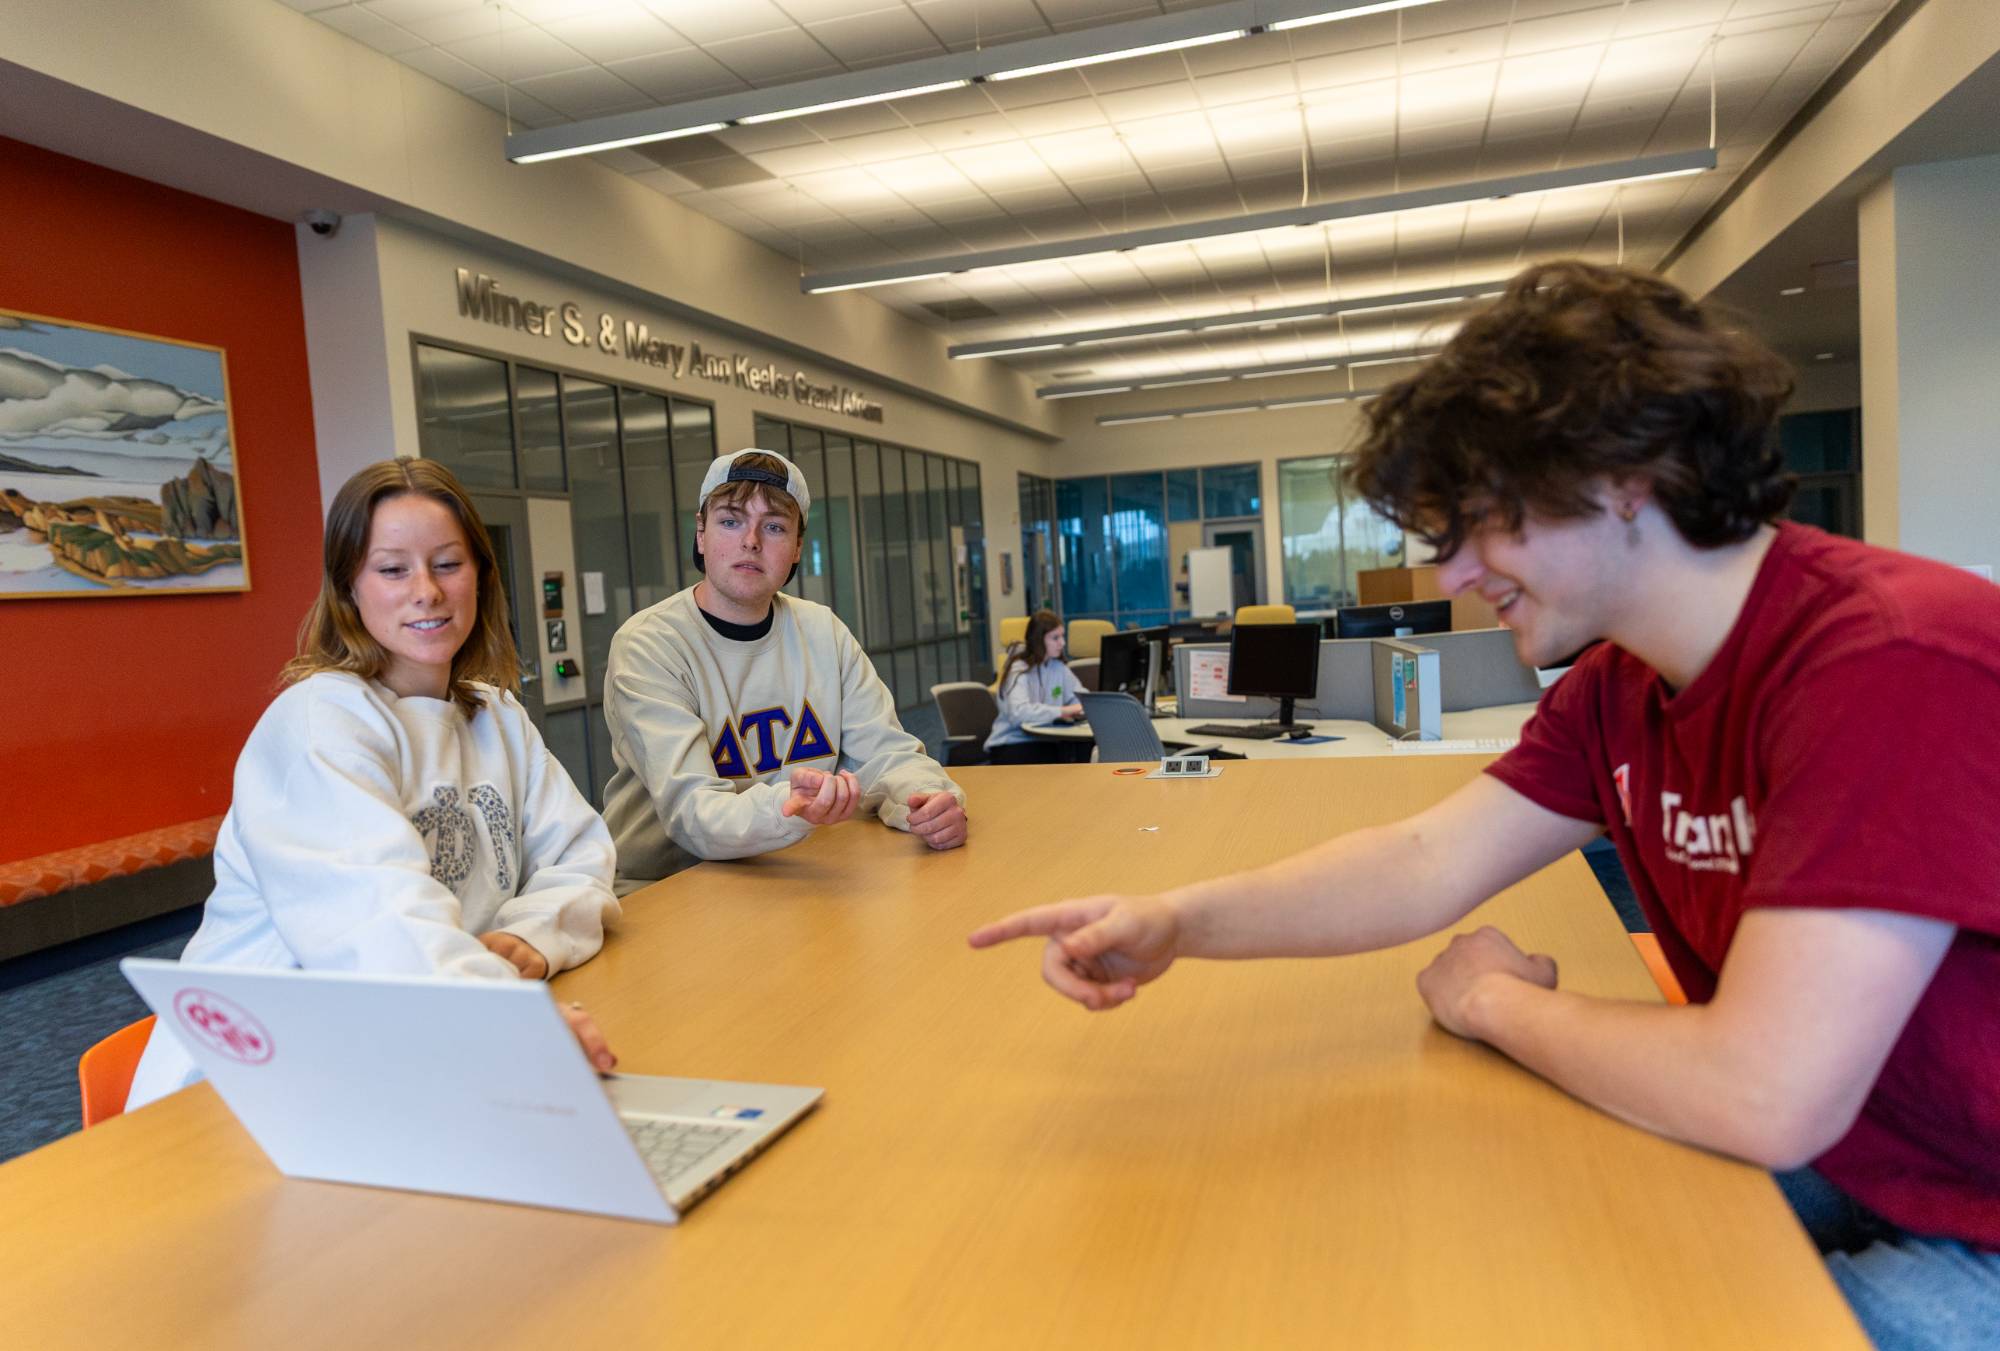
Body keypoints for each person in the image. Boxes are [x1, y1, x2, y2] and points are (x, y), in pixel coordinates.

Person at [970, 261, 1999, 1348]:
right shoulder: (1619, 688)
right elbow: (1422, 859)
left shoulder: (1882, 659)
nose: (1453, 572)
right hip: (1873, 1157)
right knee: (1509, 1257)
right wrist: (1179, 921)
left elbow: (1761, 1094)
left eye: (1480, 524)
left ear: (1621, 479)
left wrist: (1493, 1004)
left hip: (1965, 1208)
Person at [126, 458, 621, 1110]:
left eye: (447, 563)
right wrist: (505, 1019)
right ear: (349, 588)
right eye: (392, 569)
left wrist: (531, 933)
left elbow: (583, 859)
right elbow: (379, 918)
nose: (427, 591)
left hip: (414, 1048)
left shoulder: (496, 715)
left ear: (481, 576)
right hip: (256, 1079)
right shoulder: (317, 721)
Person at [602, 449, 968, 890]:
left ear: (797, 549)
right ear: (700, 535)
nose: (751, 540)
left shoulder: (822, 631)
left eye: (773, 526)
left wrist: (928, 800)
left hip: (797, 871)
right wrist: (790, 806)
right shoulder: (649, 644)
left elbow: (886, 753)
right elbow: (693, 813)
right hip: (668, 885)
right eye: (731, 520)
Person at [984, 608, 1087, 765]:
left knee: (1085, 749)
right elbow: (1019, 713)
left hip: (1046, 739)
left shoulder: (1057, 667)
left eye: (1062, 636)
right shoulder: (1019, 669)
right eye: (1055, 638)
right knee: (1064, 761)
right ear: (1039, 639)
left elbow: (1080, 696)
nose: (1062, 643)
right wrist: (1063, 711)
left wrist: (1082, 708)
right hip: (1012, 743)